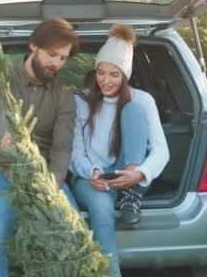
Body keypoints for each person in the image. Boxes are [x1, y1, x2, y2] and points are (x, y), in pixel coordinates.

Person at [0, 18, 80, 277]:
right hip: (3, 171)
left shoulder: (63, 95)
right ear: (33, 46)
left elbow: (61, 147)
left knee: (74, 235)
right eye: (52, 54)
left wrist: (54, 183)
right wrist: (5, 137)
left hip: (47, 175)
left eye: (63, 58)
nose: (56, 63)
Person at [69, 24, 170, 277]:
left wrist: (139, 174)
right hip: (93, 178)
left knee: (133, 111)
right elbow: (75, 152)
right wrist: (92, 172)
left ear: (125, 76)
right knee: (102, 213)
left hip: (129, 175)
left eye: (114, 74)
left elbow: (161, 150)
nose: (105, 80)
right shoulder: (80, 101)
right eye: (101, 73)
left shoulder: (142, 100)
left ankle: (131, 193)